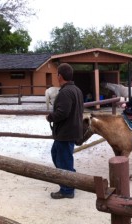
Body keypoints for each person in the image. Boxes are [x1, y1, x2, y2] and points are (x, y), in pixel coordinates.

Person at [46, 63, 84, 199]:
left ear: (60, 76)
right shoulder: (76, 90)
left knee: (63, 160)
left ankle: (67, 189)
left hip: (65, 132)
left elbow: (62, 113)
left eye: (57, 74)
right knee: (57, 154)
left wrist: (50, 117)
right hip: (70, 130)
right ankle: (71, 180)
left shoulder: (65, 92)